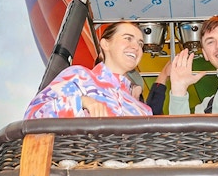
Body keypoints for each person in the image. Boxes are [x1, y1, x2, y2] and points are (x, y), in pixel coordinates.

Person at [24, 21, 152, 119]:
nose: (136, 47)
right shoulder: (79, 77)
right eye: (128, 38)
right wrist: (81, 101)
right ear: (105, 44)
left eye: (140, 44)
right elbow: (33, 115)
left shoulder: (144, 110)